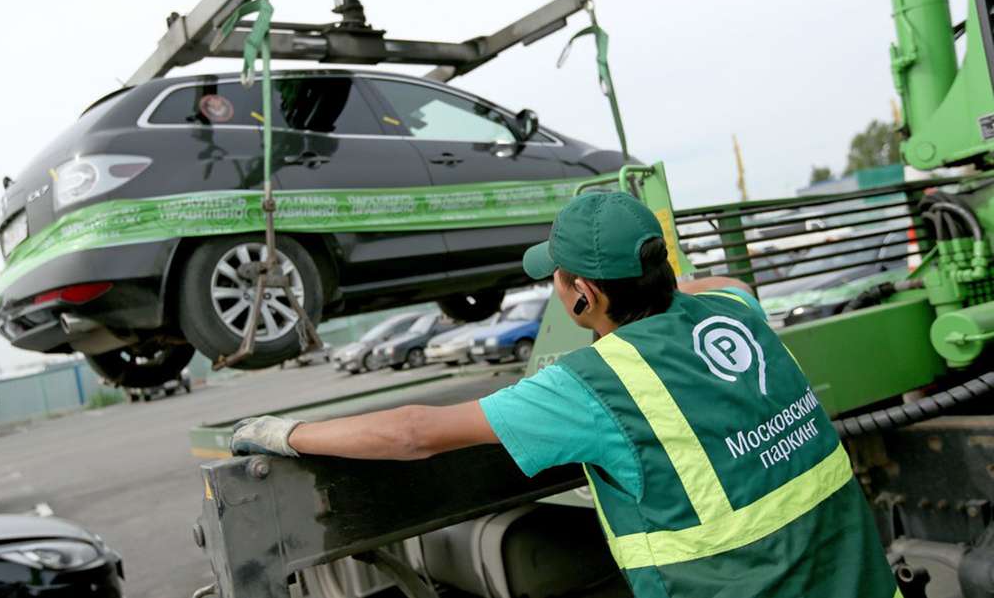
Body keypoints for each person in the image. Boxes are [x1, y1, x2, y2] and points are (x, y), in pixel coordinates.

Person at [231, 192, 897, 598]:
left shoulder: (600, 381)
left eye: (559, 278)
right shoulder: (735, 311)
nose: (554, 288)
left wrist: (281, 433)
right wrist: (657, 289)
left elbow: (414, 432)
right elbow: (722, 284)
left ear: (586, 294)